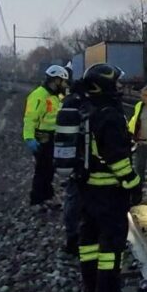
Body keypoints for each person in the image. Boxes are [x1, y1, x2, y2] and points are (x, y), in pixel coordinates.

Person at [78, 63, 141, 292]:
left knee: (89, 239)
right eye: (115, 83)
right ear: (104, 85)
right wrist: (133, 184)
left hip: (88, 190)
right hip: (109, 192)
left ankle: (91, 284)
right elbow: (116, 157)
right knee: (111, 244)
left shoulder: (86, 109)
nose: (120, 87)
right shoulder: (109, 115)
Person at [23, 64, 68, 206]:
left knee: (48, 168)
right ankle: (37, 198)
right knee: (43, 169)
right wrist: (29, 137)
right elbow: (30, 118)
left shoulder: (56, 96)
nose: (64, 84)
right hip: (42, 138)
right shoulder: (39, 95)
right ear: (55, 80)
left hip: (52, 137)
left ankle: (46, 195)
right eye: (63, 81)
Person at [60, 67, 86, 256]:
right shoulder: (82, 105)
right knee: (77, 198)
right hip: (82, 161)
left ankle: (72, 238)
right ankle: (76, 238)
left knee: (73, 198)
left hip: (73, 160)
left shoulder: (68, 102)